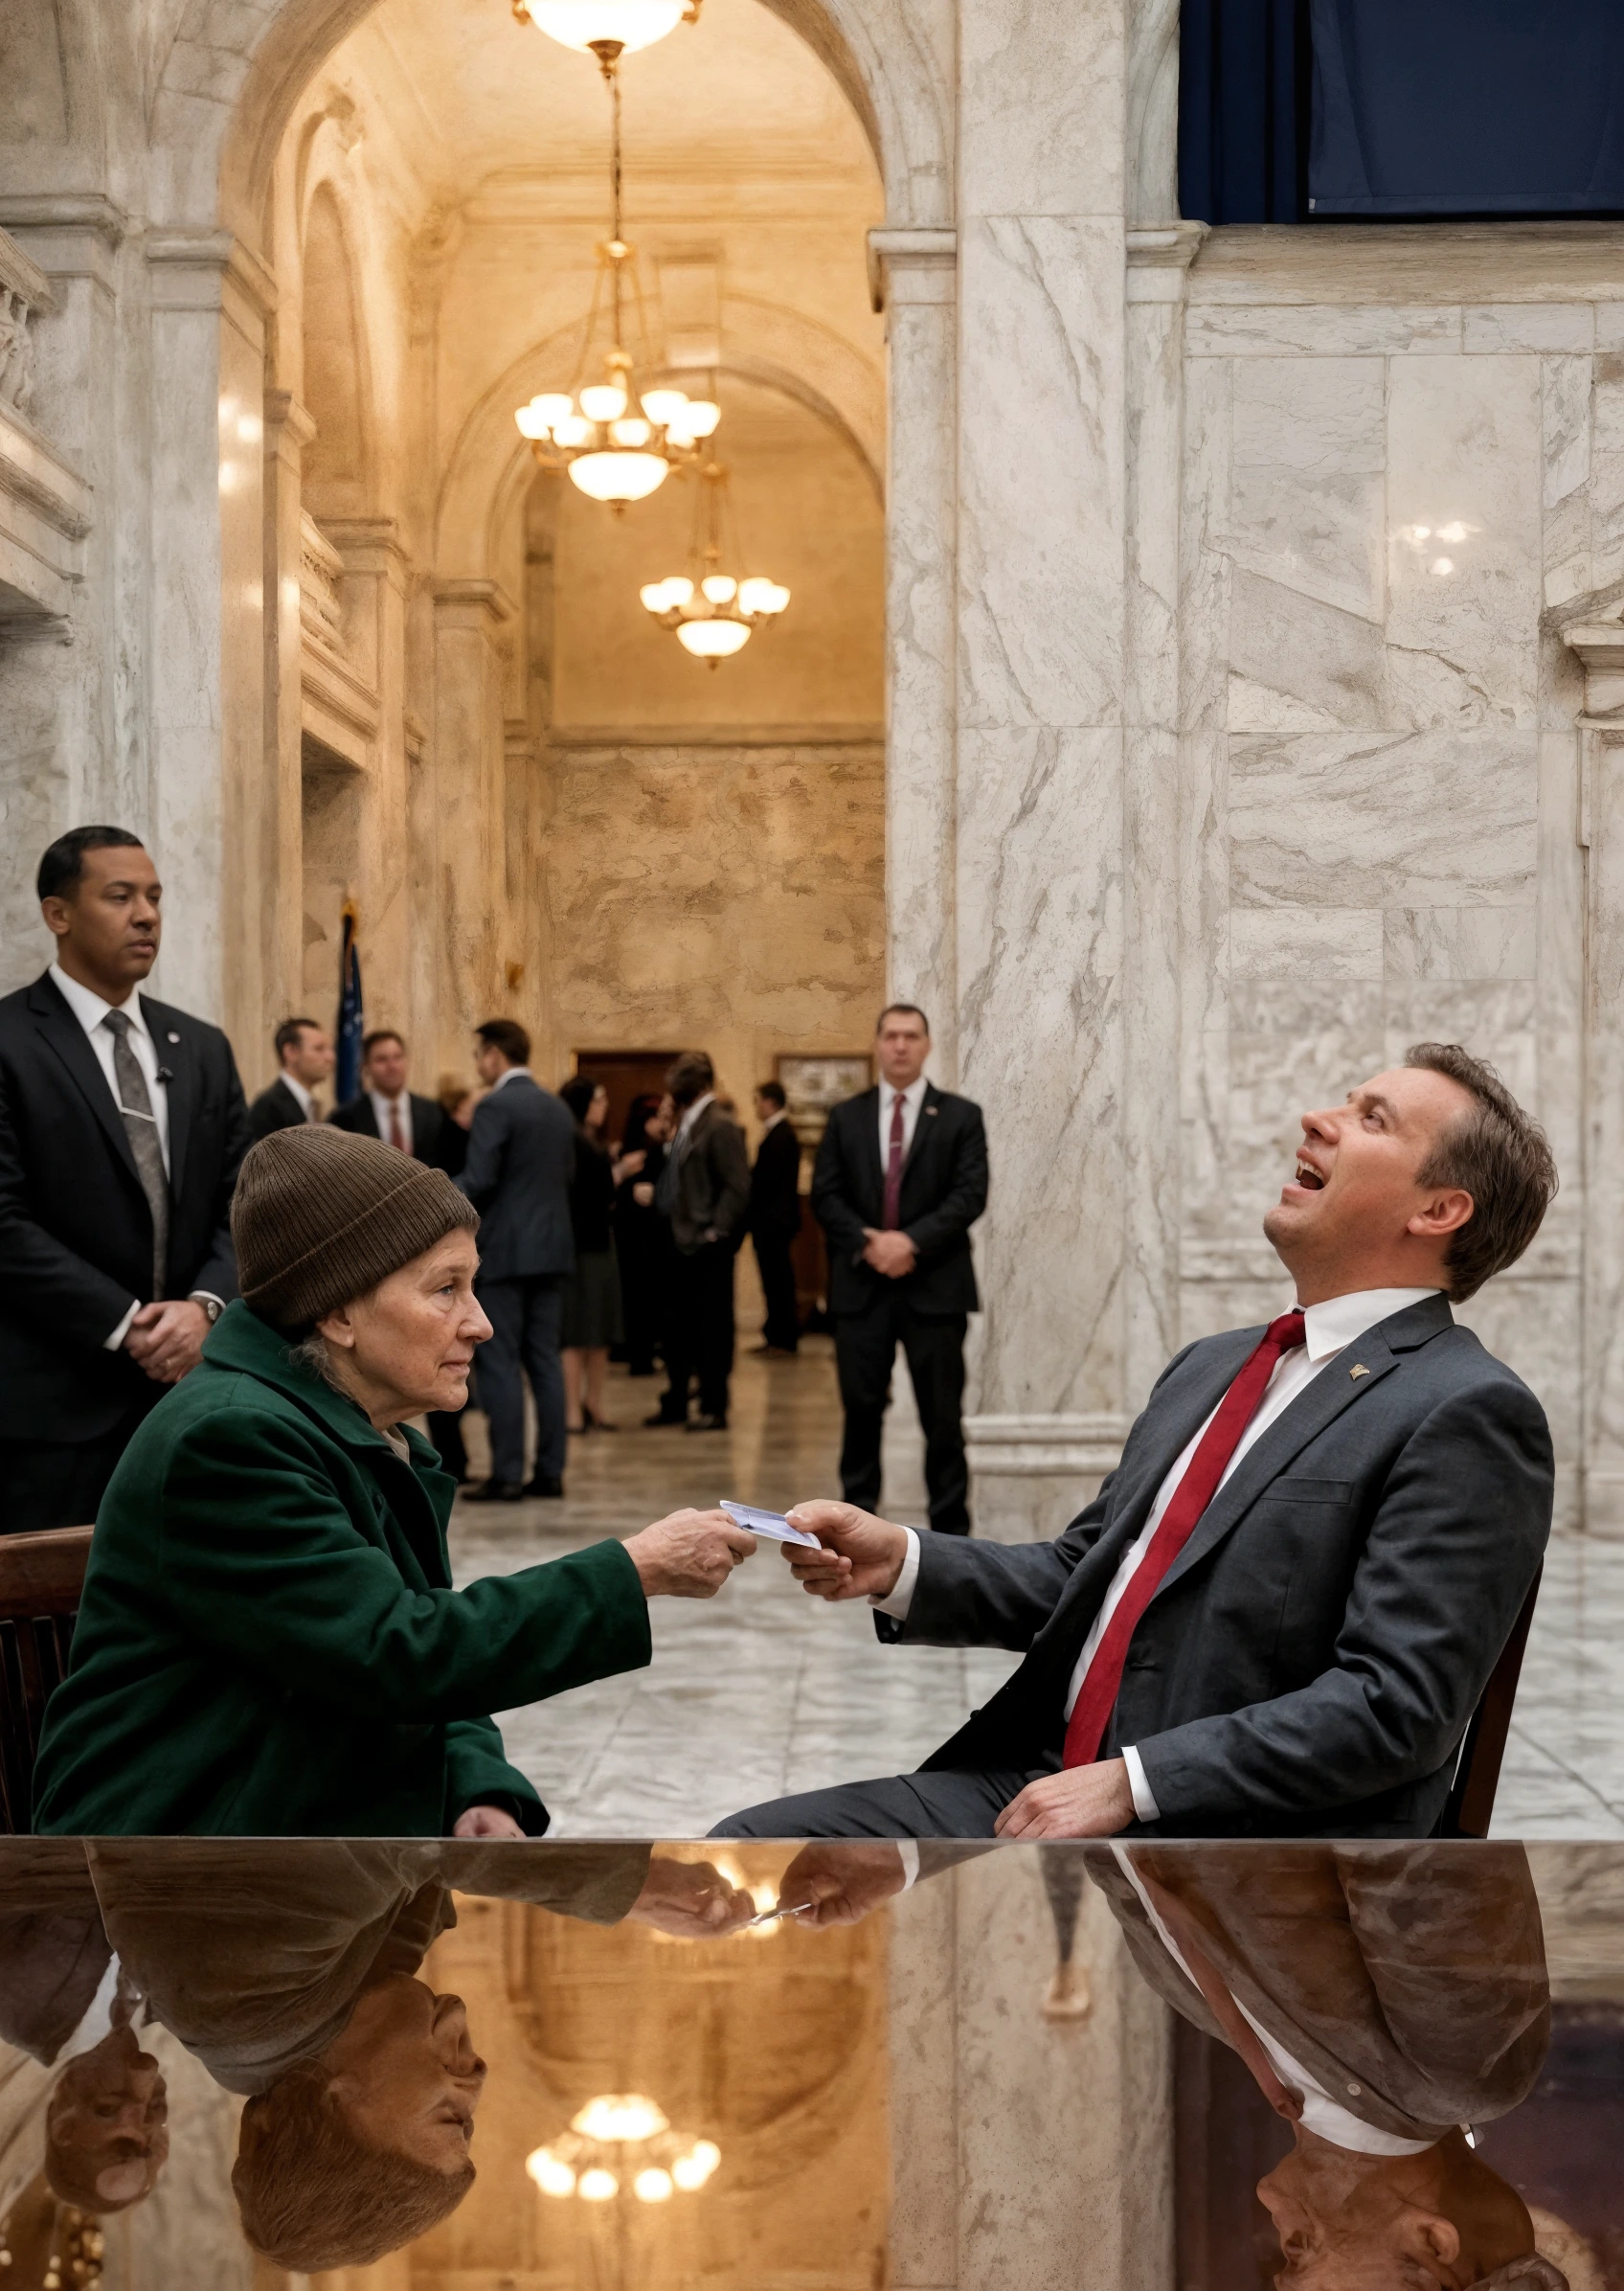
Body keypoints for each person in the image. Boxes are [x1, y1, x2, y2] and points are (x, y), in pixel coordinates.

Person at [715, 1044, 1558, 1842]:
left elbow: (1395, 1706)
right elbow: (1089, 1574)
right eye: (1345, 1100)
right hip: (1043, 1780)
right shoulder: (1214, 1365)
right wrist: (902, 1562)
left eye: (1372, 1118)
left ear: (1438, 1210)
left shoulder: (1465, 1409)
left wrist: (1134, 1784)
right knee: (759, 1853)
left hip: (1234, 1846)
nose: (1317, 1118)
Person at [30, 1123, 758, 1836]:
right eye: (446, 1289)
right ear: (338, 1312)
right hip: (171, 1861)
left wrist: (477, 1787)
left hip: (298, 1830)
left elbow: (413, 1636)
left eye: (472, 1285)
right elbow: (395, 1652)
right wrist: (633, 1571)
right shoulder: (230, 1441)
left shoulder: (350, 1426)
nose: (480, 1323)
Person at [83, 1840, 753, 2273]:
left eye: (451, 2118)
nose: (476, 2080)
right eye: (472, 2119)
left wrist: (631, 1887)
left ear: (333, 2103)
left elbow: (413, 1827)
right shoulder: (330, 2015)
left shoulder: (238, 2001)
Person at [0, 827, 253, 1533]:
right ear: (58, 914)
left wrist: (204, 1308)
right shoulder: (10, 1041)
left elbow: (246, 1201)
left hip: (193, 1399)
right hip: (52, 1415)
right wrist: (128, 1324)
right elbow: (4, 1220)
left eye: (155, 897)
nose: (146, 916)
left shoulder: (201, 1047)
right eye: (120, 897)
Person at [812, 1005, 988, 1535]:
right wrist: (870, 1243)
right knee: (860, 1415)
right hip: (861, 1289)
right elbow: (826, 1195)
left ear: (927, 1045)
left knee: (943, 1420)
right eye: (891, 1035)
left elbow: (969, 1194)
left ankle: (951, 1536)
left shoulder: (960, 1116)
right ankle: (853, 1528)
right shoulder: (846, 1116)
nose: (901, 1045)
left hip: (935, 1288)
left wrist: (910, 1242)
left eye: (911, 1036)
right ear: (877, 1044)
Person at [456, 1020, 575, 1502]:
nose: (478, 1064)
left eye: (479, 1054)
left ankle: (506, 1475)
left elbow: (479, 1178)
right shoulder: (556, 1107)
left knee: (500, 1361)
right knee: (545, 1361)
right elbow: (567, 1175)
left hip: (506, 1250)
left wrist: (428, 1196)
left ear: (495, 1054)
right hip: (552, 1250)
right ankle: (550, 1472)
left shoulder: (495, 1105)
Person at [648, 1053, 749, 1432]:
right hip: (678, 1241)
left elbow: (737, 1186)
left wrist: (715, 1230)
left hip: (705, 1244)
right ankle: (676, 1400)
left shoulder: (720, 1124)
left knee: (712, 1330)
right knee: (677, 1328)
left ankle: (713, 1405)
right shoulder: (687, 1122)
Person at [558, 1077, 637, 1432]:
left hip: (599, 1243)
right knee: (577, 1331)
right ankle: (573, 1410)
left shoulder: (589, 1141)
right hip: (579, 1247)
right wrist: (618, 1172)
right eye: (599, 1100)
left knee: (600, 1329)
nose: (604, 1107)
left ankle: (593, 1403)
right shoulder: (571, 1140)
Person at [328, 1029, 453, 1168]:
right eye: (381, 1059)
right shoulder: (345, 1118)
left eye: (397, 1057)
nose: (392, 1066)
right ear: (366, 1065)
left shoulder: (434, 1112)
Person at [615, 1092, 671, 1377]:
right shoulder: (631, 1151)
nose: (661, 1123)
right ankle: (640, 1355)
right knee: (637, 1296)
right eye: (655, 1117)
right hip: (634, 1237)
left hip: (655, 1236)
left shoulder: (663, 1149)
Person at [749, 1079, 802, 1355]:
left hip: (774, 1221)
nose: (756, 1107)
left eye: (757, 1100)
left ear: (770, 1102)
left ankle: (783, 1338)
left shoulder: (781, 1135)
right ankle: (776, 1336)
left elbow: (767, 1181)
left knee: (778, 1281)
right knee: (774, 1280)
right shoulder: (778, 1133)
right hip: (773, 1219)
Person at [247, 1016, 335, 1139]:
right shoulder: (269, 1108)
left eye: (330, 1049)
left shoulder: (311, 1106)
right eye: (318, 1049)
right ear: (290, 1052)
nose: (330, 1057)